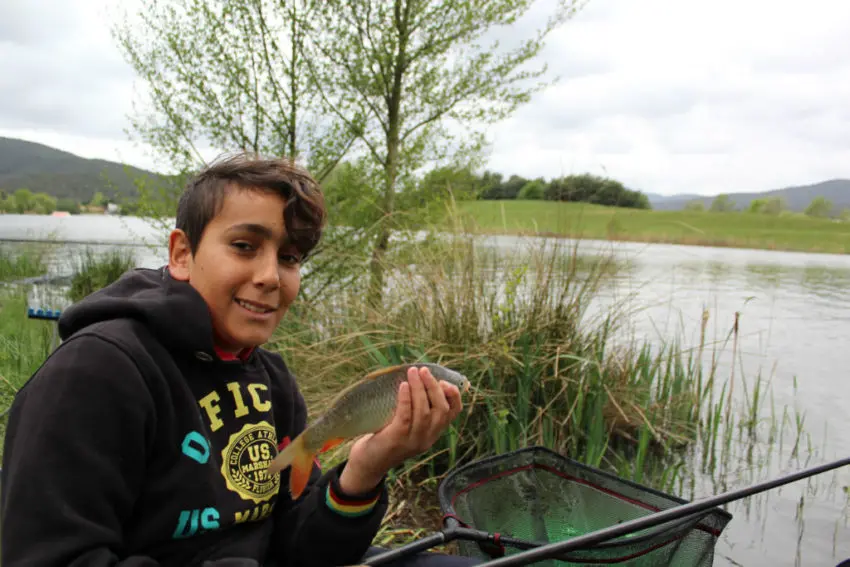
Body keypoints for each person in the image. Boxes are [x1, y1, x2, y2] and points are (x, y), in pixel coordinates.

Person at [0, 153, 481, 567]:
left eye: (290, 258)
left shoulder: (272, 381)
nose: (271, 276)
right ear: (182, 253)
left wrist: (367, 468)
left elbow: (303, 551)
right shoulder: (95, 374)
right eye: (244, 246)